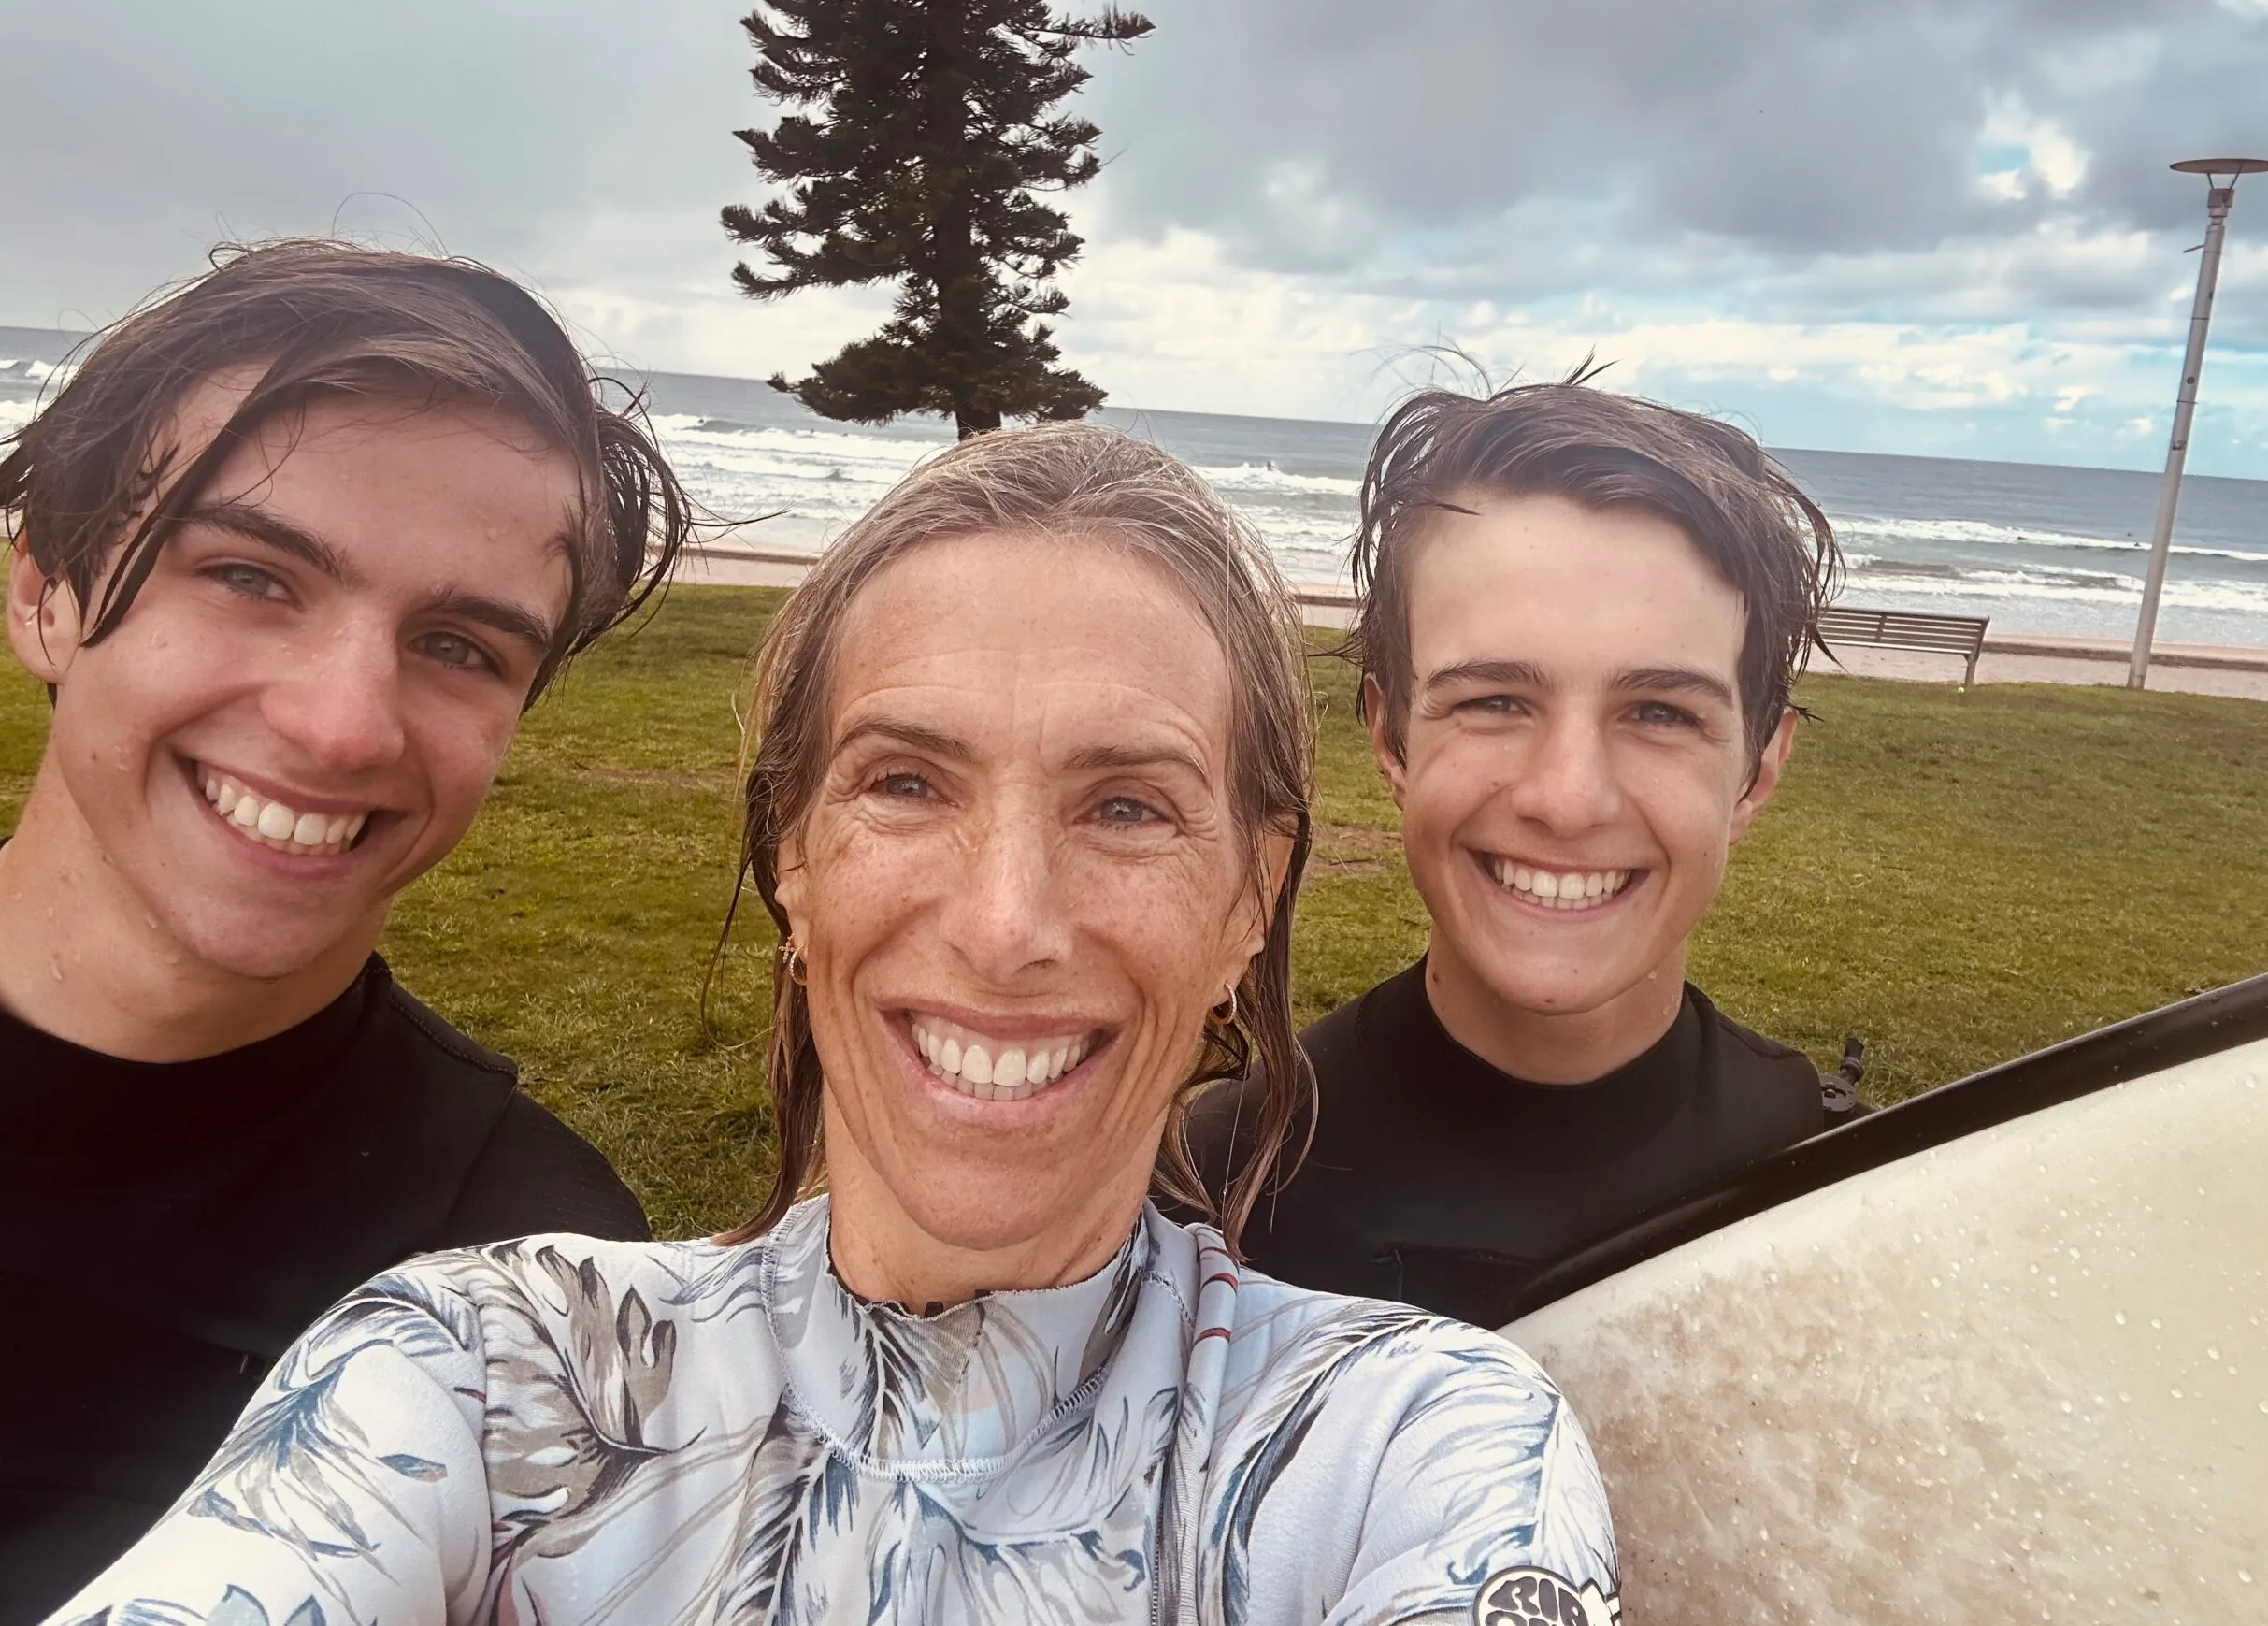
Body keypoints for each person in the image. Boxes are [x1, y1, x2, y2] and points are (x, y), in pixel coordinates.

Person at [49, 424, 1619, 1626]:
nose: (1008, 923)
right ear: (794, 857)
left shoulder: (1407, 1457)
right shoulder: (485, 1377)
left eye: (1128, 805)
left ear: (1251, 897)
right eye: (907, 784)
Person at [1, 241, 692, 1619]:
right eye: (252, 576)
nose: (341, 724)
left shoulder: (529, 1293)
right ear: (46, 596)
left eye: (458, 647)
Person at [1188, 381, 1845, 1330]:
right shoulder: (1211, 1202)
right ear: (1391, 739)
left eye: (1659, 713)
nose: (1566, 798)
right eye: (1495, 701)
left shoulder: (1837, 1199)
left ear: (1757, 771)